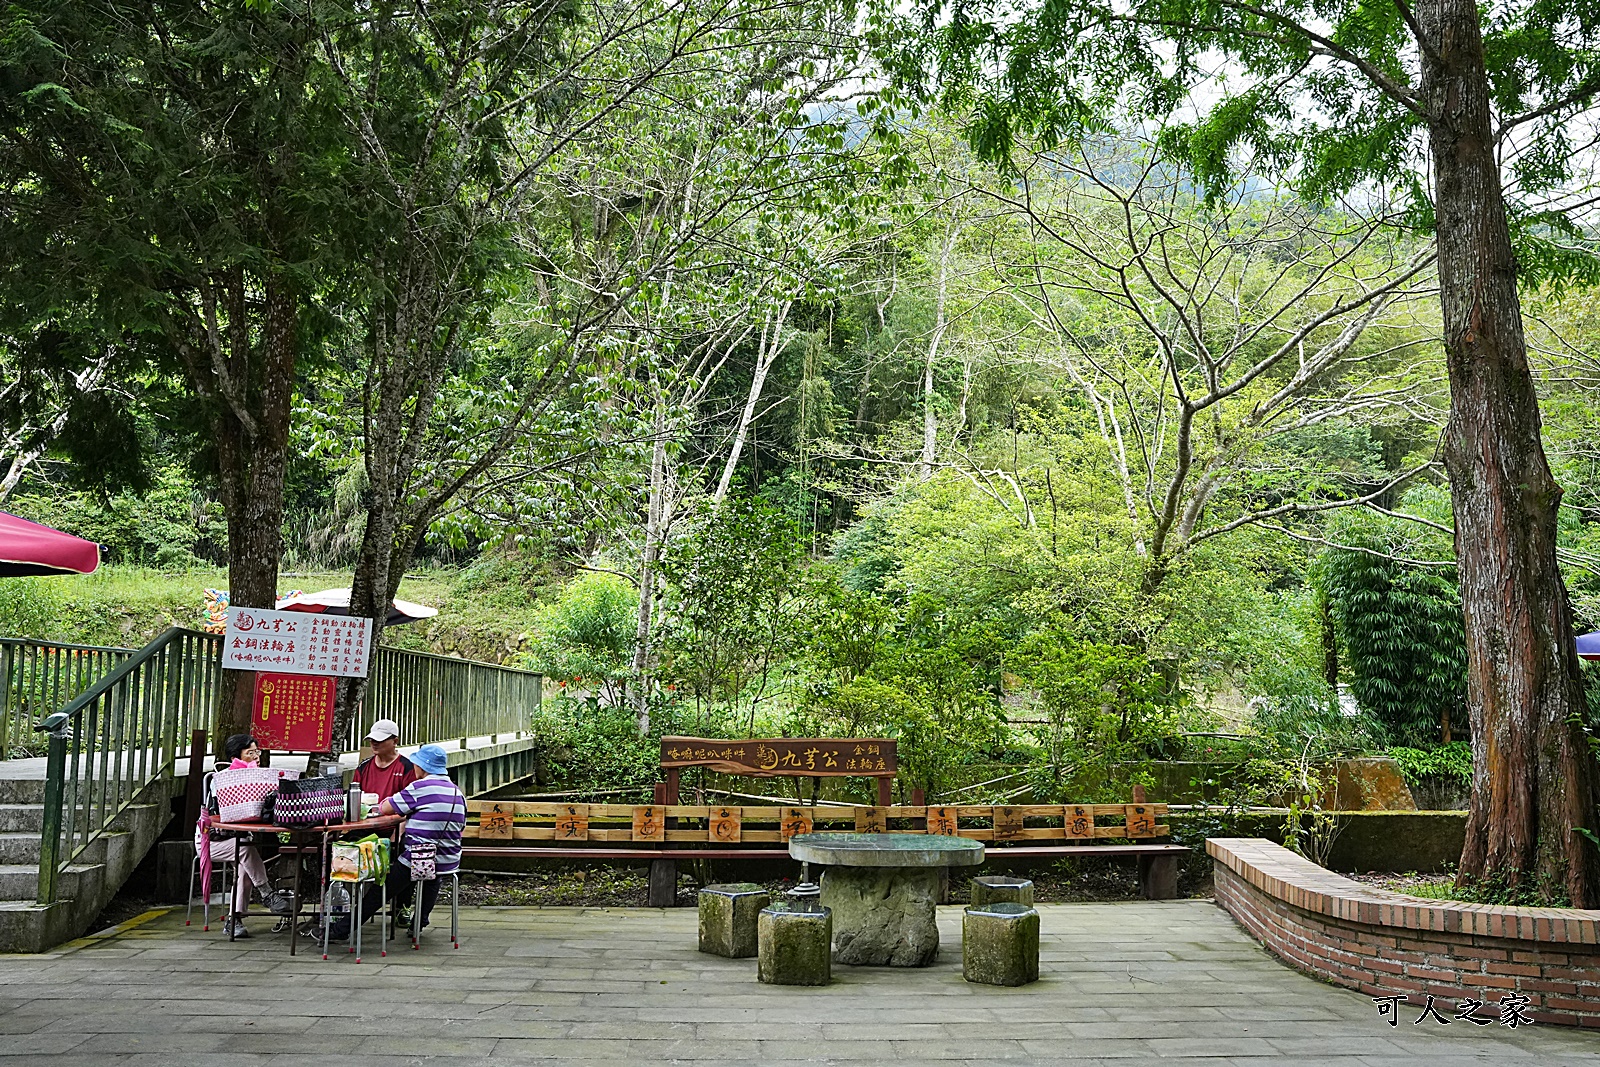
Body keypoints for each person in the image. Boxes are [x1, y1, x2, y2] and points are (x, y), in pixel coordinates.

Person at [326, 744, 465, 941]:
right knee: (432, 877)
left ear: (423, 768)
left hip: (419, 859)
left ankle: (341, 930)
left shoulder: (420, 788)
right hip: (448, 860)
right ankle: (420, 922)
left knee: (381, 888)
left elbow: (387, 808)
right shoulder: (457, 792)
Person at [202, 733, 292, 939]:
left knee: (244, 866)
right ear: (237, 756)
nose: (256, 757)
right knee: (245, 850)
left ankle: (234, 921)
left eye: (257, 752)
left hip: (239, 839)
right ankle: (267, 893)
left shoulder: (258, 779)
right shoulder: (222, 781)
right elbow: (217, 819)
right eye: (250, 753)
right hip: (213, 841)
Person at [352, 718, 422, 803]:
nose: (374, 743)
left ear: (395, 741)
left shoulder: (407, 768)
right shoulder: (363, 767)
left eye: (380, 740)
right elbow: (354, 798)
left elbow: (411, 802)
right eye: (372, 739)